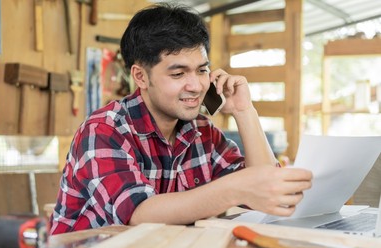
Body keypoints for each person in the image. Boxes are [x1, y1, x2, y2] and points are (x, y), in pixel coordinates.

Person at [50, 2, 312, 235]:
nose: (196, 86)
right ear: (140, 77)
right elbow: (139, 214)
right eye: (178, 74)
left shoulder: (201, 129)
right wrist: (234, 188)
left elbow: (265, 189)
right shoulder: (103, 128)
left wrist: (245, 111)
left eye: (202, 70)